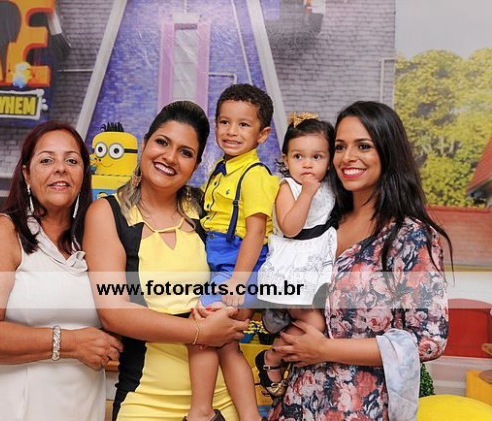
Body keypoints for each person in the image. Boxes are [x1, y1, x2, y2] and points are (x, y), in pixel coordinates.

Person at [267, 101, 450, 421]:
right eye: (340, 146)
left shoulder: (410, 236)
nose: (347, 157)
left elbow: (428, 339)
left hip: (359, 409)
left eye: (363, 146)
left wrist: (326, 349)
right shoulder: (323, 223)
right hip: (295, 404)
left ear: (388, 152)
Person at [84, 101, 249, 421]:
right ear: (145, 143)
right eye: (162, 142)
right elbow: (113, 312)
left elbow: (240, 285)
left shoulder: (208, 209)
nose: (170, 157)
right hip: (145, 401)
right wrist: (200, 332)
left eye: (185, 152)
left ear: (197, 164)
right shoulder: (108, 213)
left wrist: (233, 312)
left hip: (221, 401)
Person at [0, 121, 123, 421]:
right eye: (46, 160)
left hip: (77, 405)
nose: (61, 169)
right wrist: (71, 343)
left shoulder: (94, 241)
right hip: (5, 408)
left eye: (72, 161)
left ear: (84, 176)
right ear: (27, 174)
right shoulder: (0, 232)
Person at [188, 84, 279, 421]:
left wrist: (239, 282)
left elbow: (255, 233)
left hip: (241, 266)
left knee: (202, 327)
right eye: (225, 122)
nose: (231, 131)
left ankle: (200, 413)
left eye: (243, 124)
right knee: (227, 345)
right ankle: (250, 417)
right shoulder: (221, 169)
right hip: (221, 264)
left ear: (262, 134)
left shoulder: (255, 175)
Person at [255, 112, 336, 398]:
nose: (307, 164)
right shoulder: (287, 187)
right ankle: (273, 357)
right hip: (294, 264)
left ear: (329, 161)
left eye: (317, 157)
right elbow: (290, 228)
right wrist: (306, 194)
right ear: (286, 159)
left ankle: (277, 352)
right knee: (315, 324)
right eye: (298, 156)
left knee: (323, 323)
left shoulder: (331, 188)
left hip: (319, 262)